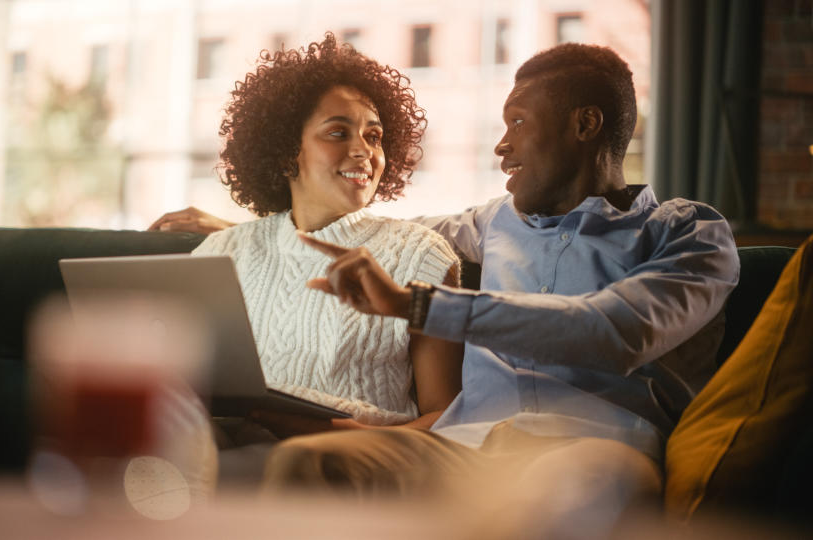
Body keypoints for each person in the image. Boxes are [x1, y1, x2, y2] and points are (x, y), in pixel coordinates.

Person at [155, 42, 740, 526]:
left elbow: (615, 332)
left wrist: (417, 305)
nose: (501, 146)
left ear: (585, 124)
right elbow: (368, 227)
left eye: (517, 123)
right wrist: (248, 230)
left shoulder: (688, 232)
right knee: (308, 465)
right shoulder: (493, 222)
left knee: (570, 505)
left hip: (595, 447)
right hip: (461, 446)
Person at [180, 33, 463, 434]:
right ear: (284, 151)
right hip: (230, 438)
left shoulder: (422, 255)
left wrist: (364, 438)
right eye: (338, 132)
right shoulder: (222, 250)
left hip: (353, 458)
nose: (364, 150)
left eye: (374, 136)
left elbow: (449, 418)